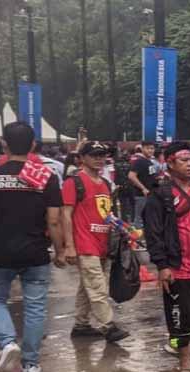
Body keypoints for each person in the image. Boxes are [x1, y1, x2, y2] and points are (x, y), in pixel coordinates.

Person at [0, 121, 66, 372]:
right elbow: (54, 221)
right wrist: (61, 251)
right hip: (36, 254)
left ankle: (7, 341)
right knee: (35, 308)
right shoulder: (46, 178)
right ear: (33, 144)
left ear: (3, 144)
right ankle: (30, 365)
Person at [143, 143, 190, 372]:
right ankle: (183, 355)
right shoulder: (160, 195)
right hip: (177, 268)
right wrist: (162, 266)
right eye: (183, 159)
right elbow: (153, 233)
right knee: (177, 316)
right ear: (170, 164)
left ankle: (178, 342)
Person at [61, 141, 130, 343]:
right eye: (94, 155)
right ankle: (108, 326)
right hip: (84, 244)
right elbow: (66, 214)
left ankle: (81, 325)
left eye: (102, 155)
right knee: (98, 287)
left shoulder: (106, 184)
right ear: (81, 158)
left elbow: (106, 213)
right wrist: (69, 246)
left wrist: (123, 229)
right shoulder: (73, 183)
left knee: (87, 286)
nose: (99, 158)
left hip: (102, 243)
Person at [127, 141, 159, 230]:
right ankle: (137, 238)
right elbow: (131, 176)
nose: (150, 151)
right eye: (148, 148)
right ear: (142, 149)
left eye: (152, 148)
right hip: (142, 195)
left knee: (148, 217)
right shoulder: (139, 161)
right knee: (139, 217)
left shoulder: (149, 162)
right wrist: (143, 188)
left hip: (151, 194)